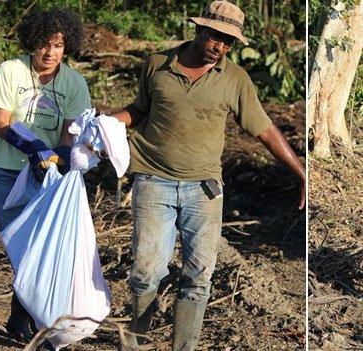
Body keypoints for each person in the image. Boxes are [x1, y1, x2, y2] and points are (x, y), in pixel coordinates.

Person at [111, 2, 306, 350]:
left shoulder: (235, 79)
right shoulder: (157, 65)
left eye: (229, 42)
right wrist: (107, 125)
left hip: (205, 189)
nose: (221, 47)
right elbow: (139, 110)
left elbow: (263, 129)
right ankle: (136, 343)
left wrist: (302, 172)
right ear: (200, 30)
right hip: (153, 180)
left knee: (198, 276)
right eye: (216, 38)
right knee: (145, 273)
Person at [0, 8, 90, 340]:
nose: (50, 53)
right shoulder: (11, 71)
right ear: (31, 43)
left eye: (59, 46)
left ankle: (31, 325)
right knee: (20, 248)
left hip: (47, 178)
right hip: (7, 173)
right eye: (44, 45)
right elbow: (1, 121)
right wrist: (32, 147)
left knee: (41, 250)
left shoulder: (74, 82)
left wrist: (61, 157)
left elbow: (69, 132)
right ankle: (25, 320)